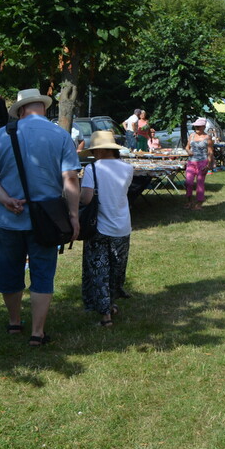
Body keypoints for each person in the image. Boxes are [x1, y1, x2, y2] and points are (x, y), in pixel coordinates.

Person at [0, 88, 81, 347]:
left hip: (8, 217)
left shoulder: (3, 134)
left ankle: (14, 322)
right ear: (43, 109)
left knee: (9, 271)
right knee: (43, 274)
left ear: (21, 110)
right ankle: (37, 332)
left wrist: (4, 198)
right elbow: (69, 179)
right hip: (47, 220)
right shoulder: (60, 135)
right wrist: (74, 215)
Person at [79, 130, 134, 327]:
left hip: (99, 227)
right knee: (115, 270)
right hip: (122, 226)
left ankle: (105, 316)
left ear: (100, 150)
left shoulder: (92, 169)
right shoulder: (128, 169)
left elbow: (86, 199)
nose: (93, 154)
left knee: (99, 270)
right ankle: (110, 304)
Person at [184, 117, 215, 209]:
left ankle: (199, 203)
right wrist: (188, 151)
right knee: (188, 182)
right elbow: (187, 147)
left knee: (200, 183)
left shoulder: (207, 138)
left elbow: (210, 152)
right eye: (195, 126)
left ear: (203, 127)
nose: (196, 128)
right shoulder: (192, 136)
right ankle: (189, 201)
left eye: (198, 126)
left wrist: (209, 164)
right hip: (191, 162)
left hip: (203, 162)